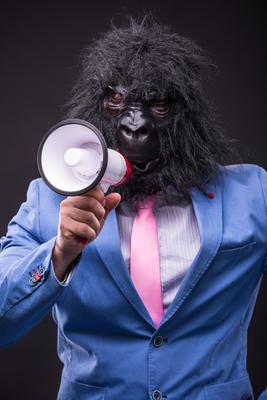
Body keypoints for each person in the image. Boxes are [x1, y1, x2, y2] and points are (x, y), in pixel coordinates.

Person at [0, 15, 266, 400]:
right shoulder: (48, 200)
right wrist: (59, 254)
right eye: (117, 102)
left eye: (157, 105)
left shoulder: (252, 193)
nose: (135, 125)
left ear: (186, 114)